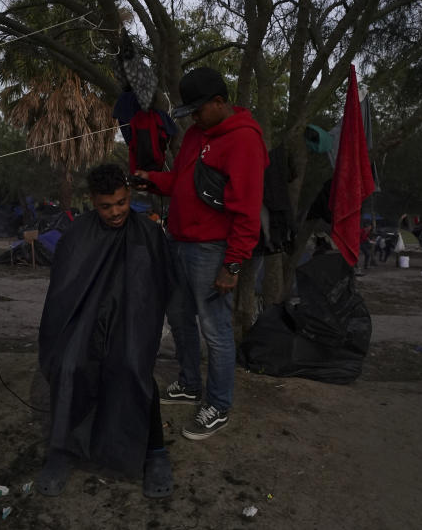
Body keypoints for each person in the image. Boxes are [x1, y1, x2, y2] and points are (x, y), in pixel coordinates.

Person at [135, 66, 268, 441]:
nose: (193, 116)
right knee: (178, 316)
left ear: (219, 102)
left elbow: (247, 210)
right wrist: (151, 178)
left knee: (215, 328)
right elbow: (180, 180)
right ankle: (191, 382)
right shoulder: (197, 133)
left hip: (212, 249)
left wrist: (234, 264)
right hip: (179, 240)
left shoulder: (243, 140)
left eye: (198, 109)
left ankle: (218, 404)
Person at [36, 164, 178, 498]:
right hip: (84, 318)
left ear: (130, 196)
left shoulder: (148, 232)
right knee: (69, 365)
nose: (115, 212)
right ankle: (62, 449)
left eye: (121, 203)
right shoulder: (77, 235)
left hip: (133, 318)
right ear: (92, 201)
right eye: (106, 206)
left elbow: (158, 287)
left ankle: (155, 451)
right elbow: (63, 293)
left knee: (131, 365)